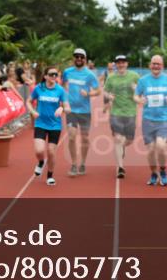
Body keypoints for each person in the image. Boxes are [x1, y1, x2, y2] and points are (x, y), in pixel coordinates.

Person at [135, 55, 167, 186]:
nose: (156, 66)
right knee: (151, 150)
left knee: (161, 146)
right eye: (154, 63)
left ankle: (163, 171)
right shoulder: (143, 81)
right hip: (148, 120)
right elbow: (136, 95)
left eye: (158, 64)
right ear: (150, 65)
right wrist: (139, 100)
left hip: (163, 119)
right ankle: (153, 173)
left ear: (162, 66)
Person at [27, 67, 69, 186]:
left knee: (51, 151)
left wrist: (62, 108)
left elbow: (68, 107)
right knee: (39, 150)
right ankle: (41, 162)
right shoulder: (39, 88)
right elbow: (29, 101)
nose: (54, 76)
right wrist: (32, 111)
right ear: (45, 76)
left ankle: (50, 176)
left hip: (55, 125)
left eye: (56, 74)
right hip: (40, 123)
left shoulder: (60, 90)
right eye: (51, 74)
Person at [62, 48, 100, 176]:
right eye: (76, 56)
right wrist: (64, 96)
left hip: (85, 111)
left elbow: (98, 91)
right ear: (74, 58)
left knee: (84, 138)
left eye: (81, 57)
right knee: (72, 136)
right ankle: (73, 164)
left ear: (85, 59)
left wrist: (88, 93)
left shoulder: (90, 74)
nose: (79, 59)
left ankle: (83, 163)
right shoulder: (67, 72)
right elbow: (62, 85)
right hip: (71, 110)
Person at [103, 55, 139, 179]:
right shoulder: (111, 78)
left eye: (123, 62)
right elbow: (105, 91)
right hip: (116, 112)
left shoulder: (134, 76)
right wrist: (109, 96)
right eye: (118, 63)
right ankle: (120, 168)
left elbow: (142, 91)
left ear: (127, 64)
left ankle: (123, 147)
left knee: (128, 140)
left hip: (131, 113)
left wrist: (136, 89)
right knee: (118, 139)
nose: (121, 64)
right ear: (116, 64)